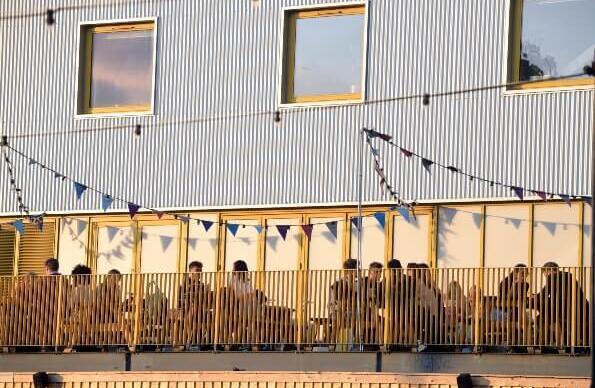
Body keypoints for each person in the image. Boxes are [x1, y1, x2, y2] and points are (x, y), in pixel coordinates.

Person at [534, 261, 590, 349]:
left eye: (545, 274)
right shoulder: (569, 275)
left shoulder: (552, 277)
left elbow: (544, 293)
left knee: (545, 318)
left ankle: (550, 344)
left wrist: (534, 298)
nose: (545, 276)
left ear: (548, 271)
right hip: (584, 308)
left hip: (568, 310)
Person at [179, 261, 213, 348]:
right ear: (190, 271)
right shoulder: (185, 284)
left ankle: (195, 340)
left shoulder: (201, 285)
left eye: (200, 271)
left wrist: (207, 291)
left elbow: (205, 300)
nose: (200, 273)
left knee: (204, 314)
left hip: (200, 310)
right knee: (195, 308)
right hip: (187, 310)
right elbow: (185, 299)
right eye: (197, 270)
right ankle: (191, 339)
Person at [328, 259, 358, 350]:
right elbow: (339, 301)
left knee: (357, 316)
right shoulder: (339, 282)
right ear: (351, 271)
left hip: (350, 310)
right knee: (340, 318)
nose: (359, 270)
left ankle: (354, 344)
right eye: (357, 268)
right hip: (337, 309)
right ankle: (333, 344)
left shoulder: (356, 283)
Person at [361, 261, 384, 346]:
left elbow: (380, 304)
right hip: (362, 311)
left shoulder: (379, 286)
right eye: (377, 272)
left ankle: (378, 344)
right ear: (370, 272)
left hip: (372, 312)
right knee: (378, 322)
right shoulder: (362, 282)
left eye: (380, 272)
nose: (379, 274)